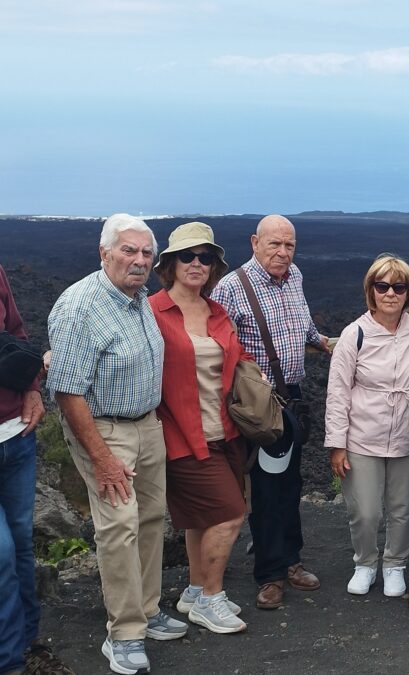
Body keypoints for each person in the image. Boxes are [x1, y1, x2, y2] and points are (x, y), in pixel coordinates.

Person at [48, 214, 188, 674]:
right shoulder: (81, 308)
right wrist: (102, 458)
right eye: (129, 250)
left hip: (146, 424)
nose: (139, 260)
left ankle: (146, 610)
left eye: (146, 252)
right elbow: (68, 391)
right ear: (104, 252)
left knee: (150, 518)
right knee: (119, 525)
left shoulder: (137, 298)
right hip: (104, 429)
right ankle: (124, 633)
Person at [211, 214, 329, 610]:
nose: (282, 252)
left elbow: (302, 324)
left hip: (292, 398)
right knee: (265, 488)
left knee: (290, 483)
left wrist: (322, 340)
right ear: (254, 242)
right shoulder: (232, 288)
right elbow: (220, 345)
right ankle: (271, 574)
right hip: (261, 406)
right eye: (274, 244)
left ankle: (291, 559)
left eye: (289, 245)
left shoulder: (294, 277)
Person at [148, 222, 250, 634]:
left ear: (213, 267)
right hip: (180, 435)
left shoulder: (217, 312)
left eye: (205, 257)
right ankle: (211, 598)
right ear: (170, 264)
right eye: (187, 256)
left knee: (201, 519)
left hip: (224, 432)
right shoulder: (151, 311)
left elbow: (236, 359)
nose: (196, 264)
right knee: (229, 514)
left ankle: (194, 590)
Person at [325, 254, 409, 598]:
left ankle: (395, 564)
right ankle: (365, 562)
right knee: (365, 511)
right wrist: (337, 444)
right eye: (382, 286)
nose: (390, 293)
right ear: (371, 290)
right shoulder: (354, 334)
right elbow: (338, 392)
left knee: (403, 509)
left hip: (408, 436)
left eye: (398, 287)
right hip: (362, 438)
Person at [0, 263, 72, 675]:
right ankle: (10, 661)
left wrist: (31, 388)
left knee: (21, 545)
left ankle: (28, 642)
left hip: (16, 436)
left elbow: (16, 333)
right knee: (2, 553)